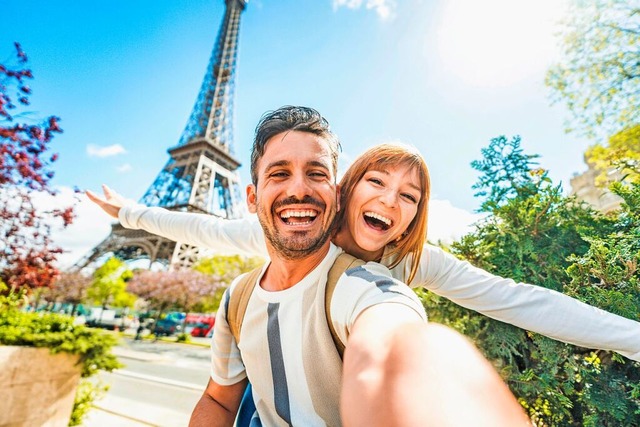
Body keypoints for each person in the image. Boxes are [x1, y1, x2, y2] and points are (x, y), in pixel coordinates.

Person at [89, 106, 530, 426]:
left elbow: (395, 339)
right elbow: (219, 400)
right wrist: (129, 213)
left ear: (336, 194)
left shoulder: (366, 285)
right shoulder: (238, 298)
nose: (298, 189)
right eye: (279, 173)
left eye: (316, 173)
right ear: (250, 198)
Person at [89, 144, 640, 363]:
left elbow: (521, 302)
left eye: (409, 195)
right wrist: (129, 215)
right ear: (348, 188)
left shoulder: (413, 260)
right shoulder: (297, 230)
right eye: (376, 182)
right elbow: (202, 228)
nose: (389, 201)